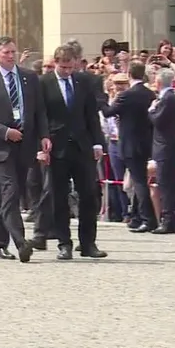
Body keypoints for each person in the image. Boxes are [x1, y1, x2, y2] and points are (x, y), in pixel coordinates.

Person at [0, 36, 50, 263]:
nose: (10, 55)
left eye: (13, 51)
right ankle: (21, 242)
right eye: (6, 52)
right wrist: (5, 132)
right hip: (0, 146)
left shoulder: (29, 77)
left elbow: (39, 110)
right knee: (10, 190)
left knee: (13, 194)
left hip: (25, 144)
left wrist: (44, 135)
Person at [29, 45, 107, 259]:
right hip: (56, 147)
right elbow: (39, 116)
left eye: (70, 67)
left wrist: (97, 143)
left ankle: (88, 243)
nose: (67, 71)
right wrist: (40, 146)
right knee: (58, 197)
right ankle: (64, 244)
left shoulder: (84, 82)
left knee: (89, 195)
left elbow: (91, 115)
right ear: (55, 62)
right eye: (63, 67)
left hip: (82, 146)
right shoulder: (43, 83)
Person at [100, 61, 157, 232]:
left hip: (130, 144)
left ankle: (148, 219)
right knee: (140, 179)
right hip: (145, 143)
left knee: (139, 182)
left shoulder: (126, 95)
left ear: (129, 74)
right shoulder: (150, 94)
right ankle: (136, 217)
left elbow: (108, 112)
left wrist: (101, 99)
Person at [148, 68, 175, 234]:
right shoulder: (169, 98)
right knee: (170, 185)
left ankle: (168, 220)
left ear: (159, 81)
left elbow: (158, 120)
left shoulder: (168, 98)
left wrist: (152, 110)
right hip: (166, 146)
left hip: (165, 146)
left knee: (166, 185)